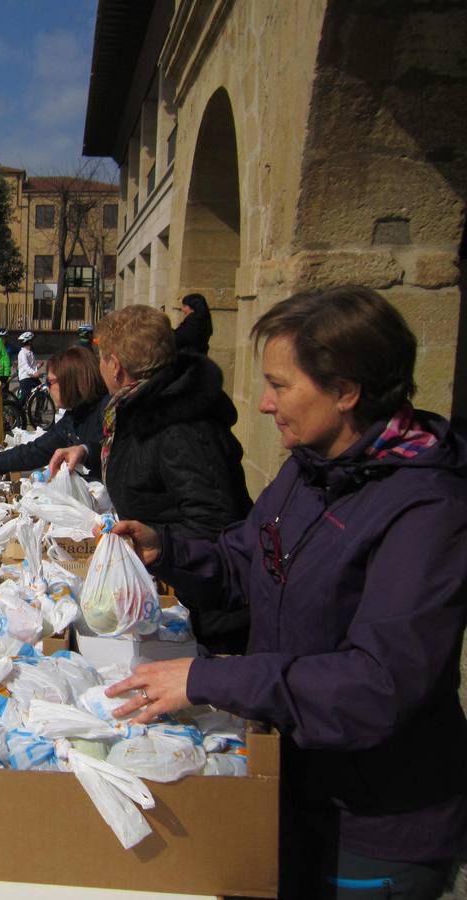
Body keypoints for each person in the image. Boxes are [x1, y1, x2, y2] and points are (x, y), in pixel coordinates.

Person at [103, 286, 467, 900]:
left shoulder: (427, 511)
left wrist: (210, 678)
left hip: (373, 823)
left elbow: (375, 686)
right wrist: (166, 547)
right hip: (291, 780)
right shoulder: (311, 468)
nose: (265, 405)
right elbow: (248, 558)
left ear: (346, 391)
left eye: (281, 385)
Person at [51, 304, 251, 653]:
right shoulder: (140, 406)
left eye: (101, 358)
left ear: (115, 365)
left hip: (207, 612)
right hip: (175, 583)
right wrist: (87, 451)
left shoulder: (182, 429)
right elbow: (142, 461)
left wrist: (157, 543)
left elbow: (217, 524)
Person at [0, 347, 108, 478]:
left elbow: (118, 454)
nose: (47, 387)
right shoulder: (73, 418)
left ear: (69, 381)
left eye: (50, 382)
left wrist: (86, 451)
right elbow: (34, 451)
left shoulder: (107, 411)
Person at [16, 331, 41, 402]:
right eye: (32, 341)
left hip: (32, 377)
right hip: (25, 378)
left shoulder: (30, 352)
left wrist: (38, 366)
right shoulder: (22, 353)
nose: (33, 343)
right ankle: (17, 410)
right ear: (29, 342)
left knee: (41, 391)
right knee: (23, 398)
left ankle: (38, 411)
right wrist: (34, 373)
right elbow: (26, 367)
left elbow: (31, 366)